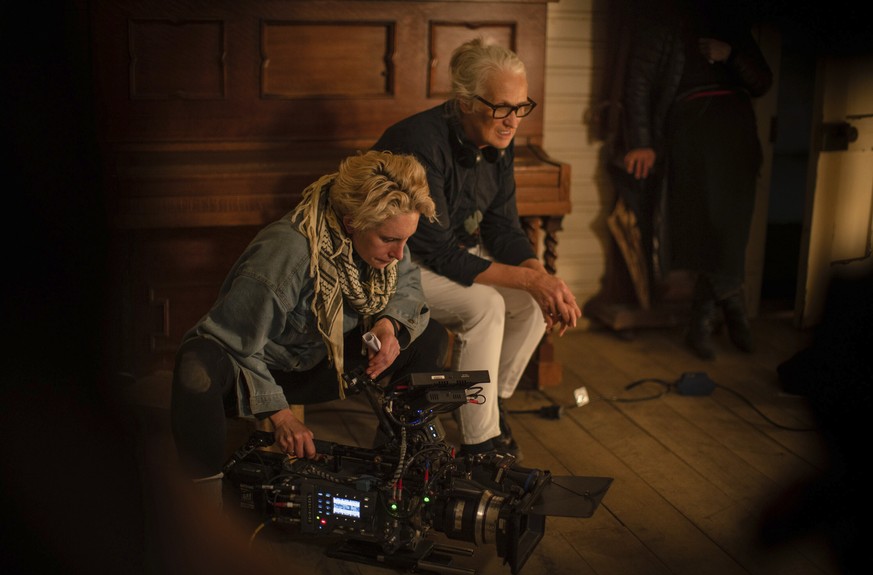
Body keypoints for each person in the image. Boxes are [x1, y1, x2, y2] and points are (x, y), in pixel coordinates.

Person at [170, 150, 447, 496]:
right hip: (256, 371)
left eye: (406, 239)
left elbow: (405, 281)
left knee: (429, 336)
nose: (399, 253)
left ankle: (396, 468)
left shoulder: (386, 237)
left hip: (317, 361)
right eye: (390, 240)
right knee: (197, 365)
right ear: (351, 223)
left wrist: (388, 325)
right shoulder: (288, 253)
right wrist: (281, 415)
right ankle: (201, 504)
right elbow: (232, 342)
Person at [372, 38, 581, 459]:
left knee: (529, 302)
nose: (513, 120)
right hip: (401, 265)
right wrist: (532, 279)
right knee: (486, 306)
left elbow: (503, 226)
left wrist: (540, 277)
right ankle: (478, 443)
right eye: (501, 107)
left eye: (521, 107)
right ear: (466, 101)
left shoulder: (499, 138)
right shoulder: (420, 141)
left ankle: (489, 404)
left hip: (449, 257)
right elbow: (438, 252)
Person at [622, 0, 773, 360]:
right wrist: (642, 141)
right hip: (693, 130)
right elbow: (638, 83)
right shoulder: (663, 18)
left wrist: (731, 55)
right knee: (709, 223)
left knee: (734, 223)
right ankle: (727, 302)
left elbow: (762, 81)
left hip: (738, 131)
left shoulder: (731, 22)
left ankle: (706, 314)